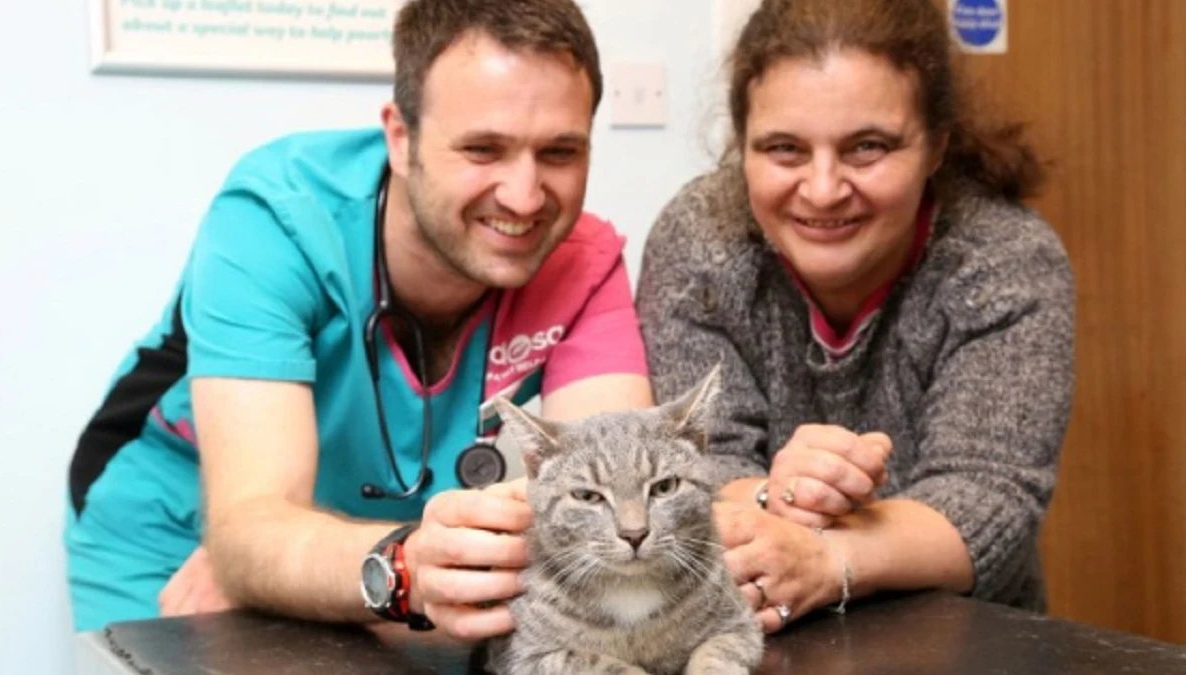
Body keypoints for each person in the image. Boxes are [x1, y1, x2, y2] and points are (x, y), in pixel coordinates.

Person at [64, 0, 653, 638]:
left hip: (380, 540)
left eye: (560, 153)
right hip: (170, 527)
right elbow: (253, 525)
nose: (524, 195)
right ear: (400, 137)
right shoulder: (277, 218)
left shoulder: (585, 262)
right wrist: (278, 558)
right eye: (483, 149)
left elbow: (621, 501)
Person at [636, 0, 1074, 634]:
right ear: (743, 145)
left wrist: (827, 557)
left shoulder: (1003, 259)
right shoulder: (700, 241)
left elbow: (988, 498)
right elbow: (699, 464)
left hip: (964, 635)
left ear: (934, 148)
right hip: (755, 631)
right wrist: (776, 495)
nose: (822, 189)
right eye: (784, 149)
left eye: (867, 148)